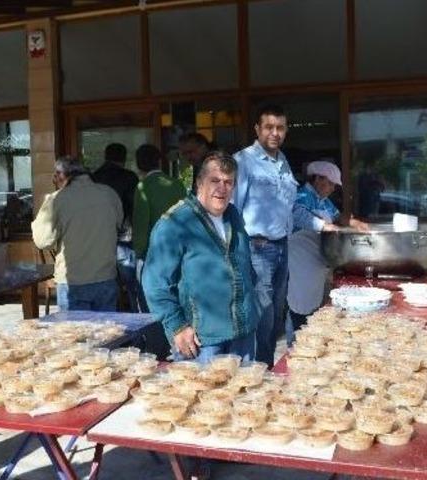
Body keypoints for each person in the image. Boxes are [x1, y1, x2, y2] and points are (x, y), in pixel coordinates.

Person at [143, 151, 258, 362]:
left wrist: (254, 305)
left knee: (246, 394)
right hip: (203, 342)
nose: (222, 188)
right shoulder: (175, 223)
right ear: (199, 183)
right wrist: (177, 326)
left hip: (243, 335)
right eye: (214, 180)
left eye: (228, 182)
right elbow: (154, 283)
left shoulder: (233, 215)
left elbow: (245, 266)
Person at [234, 104, 322, 367]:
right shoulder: (243, 162)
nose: (275, 133)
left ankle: (265, 369)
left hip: (282, 247)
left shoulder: (282, 162)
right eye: (269, 127)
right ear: (257, 129)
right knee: (262, 316)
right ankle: (258, 373)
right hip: (257, 248)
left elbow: (291, 208)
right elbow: (231, 210)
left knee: (274, 316)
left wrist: (323, 226)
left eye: (280, 128)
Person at [286, 161, 368, 346]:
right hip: (300, 260)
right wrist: (324, 225)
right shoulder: (301, 196)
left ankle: (308, 345)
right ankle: (294, 348)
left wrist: (355, 223)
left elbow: (338, 216)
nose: (332, 189)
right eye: (330, 183)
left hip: (315, 262)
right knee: (298, 309)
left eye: (333, 185)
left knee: (313, 310)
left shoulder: (322, 200)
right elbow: (297, 215)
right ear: (317, 179)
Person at [32, 156, 123, 311]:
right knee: (108, 333)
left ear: (61, 175)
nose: (55, 180)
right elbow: (118, 225)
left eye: (55, 176)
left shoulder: (57, 200)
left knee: (76, 333)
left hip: (72, 280)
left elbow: (42, 241)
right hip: (106, 277)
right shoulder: (109, 194)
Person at [92, 143, 141, 312]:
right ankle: (139, 326)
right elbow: (134, 208)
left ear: (106, 156)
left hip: (100, 239)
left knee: (104, 285)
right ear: (124, 158)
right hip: (125, 237)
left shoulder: (94, 177)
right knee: (133, 287)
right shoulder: (129, 177)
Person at [132, 144, 187, 261]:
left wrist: (138, 251)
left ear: (138, 163)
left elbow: (141, 221)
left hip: (156, 248)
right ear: (158, 161)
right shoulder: (177, 184)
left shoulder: (143, 186)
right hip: (178, 244)